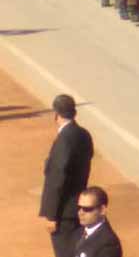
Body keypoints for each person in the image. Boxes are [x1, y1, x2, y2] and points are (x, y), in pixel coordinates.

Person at [40, 94, 94, 257]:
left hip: (64, 211)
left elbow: (57, 179)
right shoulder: (84, 134)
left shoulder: (64, 139)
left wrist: (51, 214)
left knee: (65, 252)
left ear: (56, 114)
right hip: (79, 204)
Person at [72, 186, 122, 257]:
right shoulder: (80, 231)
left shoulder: (109, 244)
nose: (81, 213)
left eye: (87, 209)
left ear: (102, 210)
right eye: (79, 208)